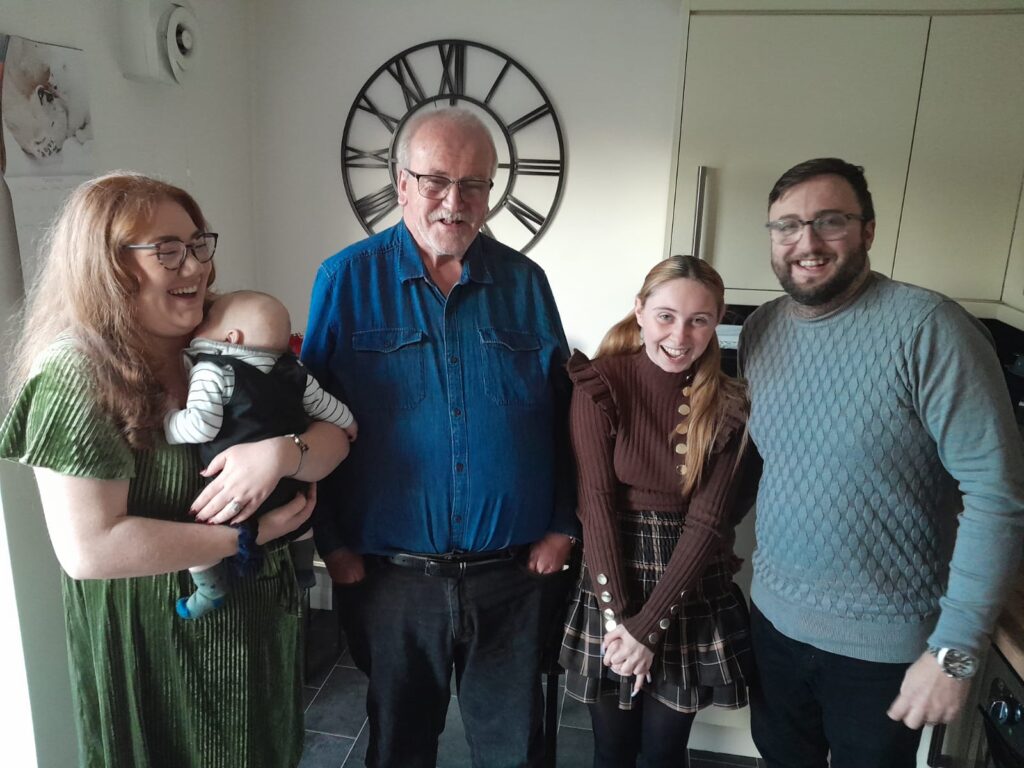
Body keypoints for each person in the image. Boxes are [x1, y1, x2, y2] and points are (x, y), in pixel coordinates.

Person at [0, 172, 350, 768]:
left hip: (254, 630)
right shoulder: (76, 376)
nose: (194, 268)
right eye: (167, 250)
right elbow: (91, 548)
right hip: (159, 644)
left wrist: (281, 453)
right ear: (106, 266)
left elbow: (335, 435)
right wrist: (249, 535)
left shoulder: (228, 336)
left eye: (197, 245)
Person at [302, 107, 577, 768]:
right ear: (401, 184)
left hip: (511, 575)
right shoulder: (344, 280)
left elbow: (564, 415)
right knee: (399, 746)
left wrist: (564, 525)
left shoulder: (526, 284)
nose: (455, 201)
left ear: (491, 192)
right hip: (394, 581)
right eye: (435, 181)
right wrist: (333, 544)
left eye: (474, 185)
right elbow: (309, 416)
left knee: (516, 749)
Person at [739, 157, 1024, 767]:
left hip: (886, 648)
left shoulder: (931, 328)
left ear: (868, 230)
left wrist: (955, 652)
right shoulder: (762, 330)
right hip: (774, 626)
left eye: (829, 221)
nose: (807, 243)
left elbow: (996, 494)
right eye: (786, 225)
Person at [558, 255, 758, 768]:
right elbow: (596, 505)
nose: (680, 335)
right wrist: (620, 620)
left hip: (687, 587)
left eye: (699, 320)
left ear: (716, 324)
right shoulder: (600, 383)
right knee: (613, 751)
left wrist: (649, 629)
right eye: (666, 315)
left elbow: (708, 522)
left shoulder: (730, 403)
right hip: (612, 578)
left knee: (664, 753)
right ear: (641, 311)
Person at [165, 289, 357, 618]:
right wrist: (350, 424)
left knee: (197, 527)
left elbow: (201, 427)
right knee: (303, 517)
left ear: (230, 336)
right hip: (289, 485)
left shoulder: (213, 369)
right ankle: (302, 570)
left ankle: (210, 589)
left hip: (234, 489)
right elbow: (328, 407)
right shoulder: (296, 372)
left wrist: (168, 419)